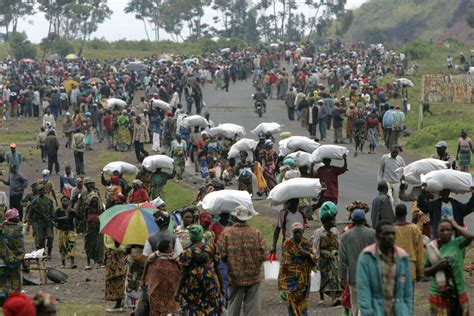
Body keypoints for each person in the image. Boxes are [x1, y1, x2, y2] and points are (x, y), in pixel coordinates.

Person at [356, 220, 413, 315]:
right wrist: (367, 312)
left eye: (393, 234)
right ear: (377, 237)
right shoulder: (367, 256)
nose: (390, 237)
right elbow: (363, 288)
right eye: (386, 234)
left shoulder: (403, 257)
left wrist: (407, 311)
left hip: (397, 311)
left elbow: (408, 291)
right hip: (375, 311)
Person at [218, 206, 266, 316]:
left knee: (233, 307)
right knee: (253, 309)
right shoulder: (256, 233)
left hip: (235, 277)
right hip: (254, 276)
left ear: (234, 217)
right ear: (247, 218)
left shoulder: (226, 233)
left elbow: (222, 255)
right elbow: (264, 255)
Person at [424, 219, 473, 315]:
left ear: (452, 231)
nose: (445, 232)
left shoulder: (457, 243)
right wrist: (436, 267)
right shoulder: (432, 247)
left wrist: (455, 226)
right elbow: (425, 271)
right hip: (439, 294)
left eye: (448, 230)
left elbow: (470, 237)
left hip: (459, 292)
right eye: (442, 230)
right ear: (437, 232)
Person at [176, 225, 224, 315]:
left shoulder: (188, 251)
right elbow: (217, 268)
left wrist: (177, 291)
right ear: (201, 235)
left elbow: (183, 273)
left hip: (193, 283)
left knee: (193, 305)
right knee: (211, 304)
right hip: (209, 279)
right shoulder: (212, 247)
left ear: (191, 237)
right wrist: (221, 286)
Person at [339, 209, 376, 315]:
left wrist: (342, 277)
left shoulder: (346, 236)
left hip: (353, 277)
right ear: (364, 220)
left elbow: (342, 259)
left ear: (353, 221)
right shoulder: (372, 233)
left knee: (355, 305)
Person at [278, 222, 316, 316]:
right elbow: (285, 263)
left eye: (299, 232)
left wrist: (307, 255)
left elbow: (315, 258)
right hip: (291, 280)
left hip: (303, 280)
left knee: (303, 306)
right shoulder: (288, 244)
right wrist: (282, 283)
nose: (297, 234)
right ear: (292, 232)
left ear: (302, 232)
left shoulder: (306, 243)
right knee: (292, 306)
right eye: (295, 232)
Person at [311, 201, 341, 306]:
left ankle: (333, 299)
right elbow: (315, 247)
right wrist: (315, 260)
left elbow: (338, 245)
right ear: (325, 221)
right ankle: (321, 298)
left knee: (333, 278)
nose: (334, 221)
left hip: (332, 259)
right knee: (322, 278)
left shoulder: (335, 231)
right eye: (332, 220)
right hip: (322, 259)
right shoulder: (318, 233)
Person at [142, 239, 181, 315]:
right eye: (170, 247)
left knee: (160, 299)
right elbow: (180, 267)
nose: (171, 248)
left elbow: (147, 264)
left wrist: (143, 278)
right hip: (161, 284)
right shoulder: (170, 256)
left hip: (164, 284)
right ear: (166, 249)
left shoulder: (155, 255)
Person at [394, 204, 424, 284]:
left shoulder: (390, 229)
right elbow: (420, 252)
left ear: (395, 213)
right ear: (406, 213)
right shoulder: (414, 229)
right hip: (410, 268)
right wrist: (421, 273)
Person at [78, 177, 105, 269]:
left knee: (99, 242)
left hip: (98, 221)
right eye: (90, 183)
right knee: (89, 242)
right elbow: (79, 207)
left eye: (92, 183)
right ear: (86, 185)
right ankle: (89, 261)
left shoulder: (97, 192)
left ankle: (99, 260)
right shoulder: (83, 194)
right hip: (88, 222)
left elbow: (100, 205)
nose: (92, 185)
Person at [0, 209, 25, 306]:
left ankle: (2, 300)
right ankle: (14, 303)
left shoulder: (2, 227)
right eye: (17, 216)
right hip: (14, 261)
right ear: (12, 218)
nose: (19, 217)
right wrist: (22, 259)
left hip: (2, 260)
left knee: (3, 281)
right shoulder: (17, 229)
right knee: (14, 283)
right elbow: (20, 247)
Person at [30, 185, 55, 258]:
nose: (42, 192)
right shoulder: (35, 201)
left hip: (48, 222)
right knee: (41, 239)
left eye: (43, 190)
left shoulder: (49, 200)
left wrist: (52, 219)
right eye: (40, 190)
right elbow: (31, 212)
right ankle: (42, 253)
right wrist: (31, 223)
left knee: (50, 237)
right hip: (39, 222)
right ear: (38, 192)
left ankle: (49, 253)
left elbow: (52, 211)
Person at [104, 235, 126, 312]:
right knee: (115, 278)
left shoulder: (118, 231)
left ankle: (119, 304)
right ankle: (120, 302)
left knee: (118, 278)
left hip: (116, 255)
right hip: (112, 255)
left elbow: (117, 244)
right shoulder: (111, 230)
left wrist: (116, 238)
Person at [54, 196, 77, 269]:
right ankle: (63, 263)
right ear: (61, 202)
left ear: (69, 202)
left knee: (72, 246)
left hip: (70, 230)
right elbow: (54, 219)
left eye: (66, 200)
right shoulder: (58, 210)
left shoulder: (71, 211)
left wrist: (75, 212)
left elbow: (79, 218)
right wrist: (62, 218)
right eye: (63, 201)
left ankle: (72, 263)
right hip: (62, 231)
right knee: (62, 247)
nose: (65, 202)